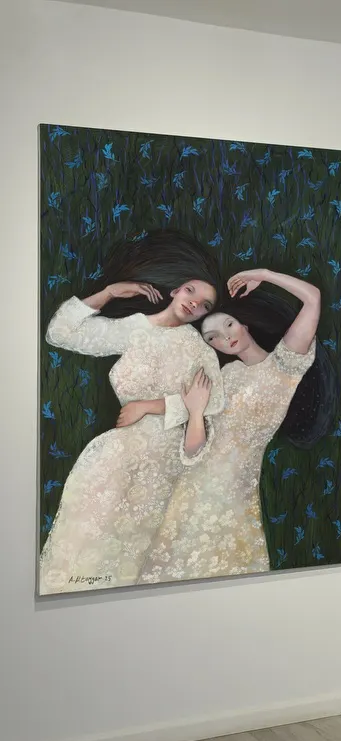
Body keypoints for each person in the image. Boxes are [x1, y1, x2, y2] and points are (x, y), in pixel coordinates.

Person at [38, 231, 227, 594]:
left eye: (205, 304)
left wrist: (148, 406)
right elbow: (60, 333)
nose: (194, 303)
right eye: (191, 291)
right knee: (85, 556)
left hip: (165, 467)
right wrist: (108, 293)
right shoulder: (134, 329)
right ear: (176, 290)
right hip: (114, 460)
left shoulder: (199, 349)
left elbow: (213, 402)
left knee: (136, 568)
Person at [136, 268, 335, 584]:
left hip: (234, 496)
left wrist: (263, 274)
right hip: (191, 489)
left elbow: (313, 298)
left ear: (244, 324)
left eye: (228, 324)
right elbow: (193, 449)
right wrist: (192, 411)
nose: (224, 337)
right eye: (212, 337)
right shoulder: (226, 376)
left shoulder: (284, 366)